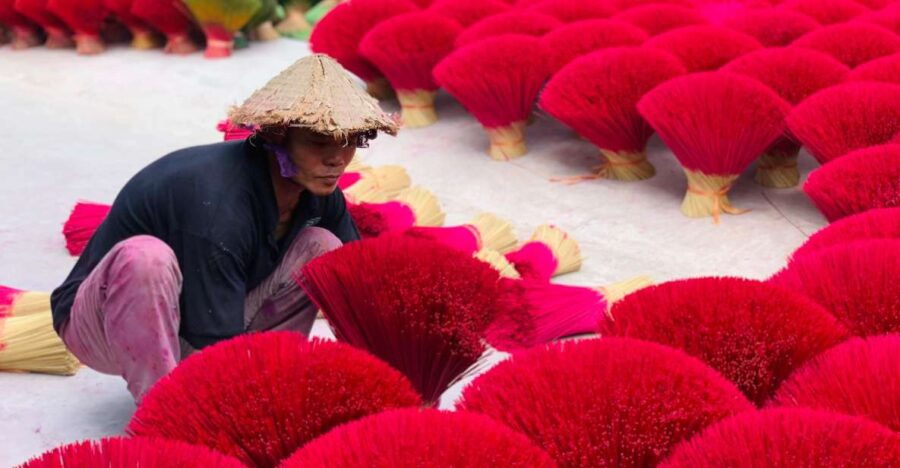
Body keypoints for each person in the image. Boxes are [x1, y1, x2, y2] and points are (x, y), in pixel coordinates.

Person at [50, 54, 398, 401]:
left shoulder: (318, 191)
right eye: (319, 142)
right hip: (104, 323)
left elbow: (358, 283)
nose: (337, 158)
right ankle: (162, 411)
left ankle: (275, 378)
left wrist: (390, 378)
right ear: (278, 135)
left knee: (322, 246)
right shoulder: (222, 203)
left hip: (200, 317)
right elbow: (216, 346)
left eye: (348, 140)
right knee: (146, 258)